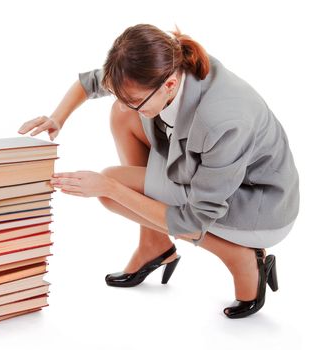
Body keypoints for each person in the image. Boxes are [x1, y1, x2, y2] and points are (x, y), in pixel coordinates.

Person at [17, 23, 300, 319]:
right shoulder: (160, 66)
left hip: (257, 204)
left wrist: (109, 188)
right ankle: (153, 243)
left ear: (169, 85)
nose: (130, 105)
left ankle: (240, 257)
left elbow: (194, 220)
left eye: (137, 101)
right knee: (121, 115)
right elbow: (89, 83)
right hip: (202, 172)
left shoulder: (222, 120)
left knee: (114, 188)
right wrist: (57, 118)